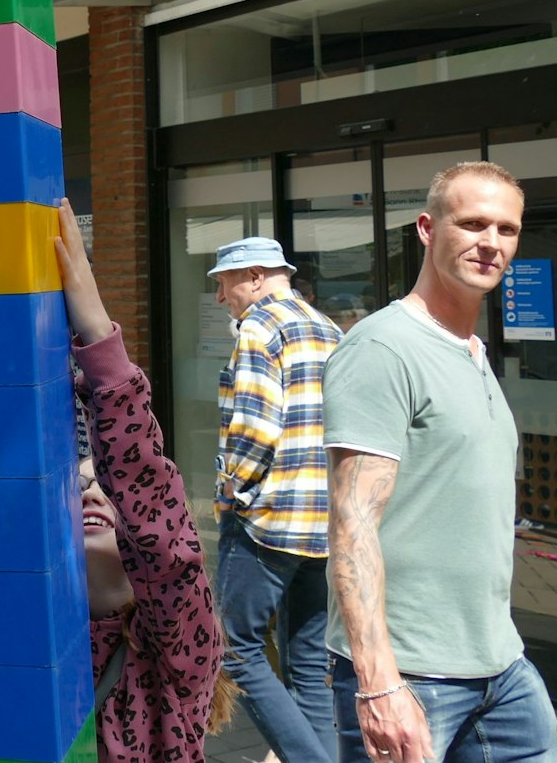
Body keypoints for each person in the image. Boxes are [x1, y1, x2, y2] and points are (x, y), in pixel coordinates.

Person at [324, 162, 553, 763]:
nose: (491, 243)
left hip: (501, 666)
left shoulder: (474, 351)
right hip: (411, 676)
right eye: (473, 223)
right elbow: (352, 525)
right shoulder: (382, 348)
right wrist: (378, 683)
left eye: (507, 229)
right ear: (427, 228)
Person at [30, 200, 231, 761]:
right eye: (78, 484)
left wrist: (96, 330)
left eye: (105, 484)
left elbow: (151, 509)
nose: (92, 491)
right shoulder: (33, 619)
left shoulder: (177, 648)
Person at [209, 236, 342, 763]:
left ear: (257, 276)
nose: (221, 297)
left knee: (233, 648)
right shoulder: (330, 328)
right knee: (308, 661)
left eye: (224, 283)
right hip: (323, 519)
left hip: (269, 518)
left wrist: (230, 491)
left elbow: (255, 428)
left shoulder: (261, 327)